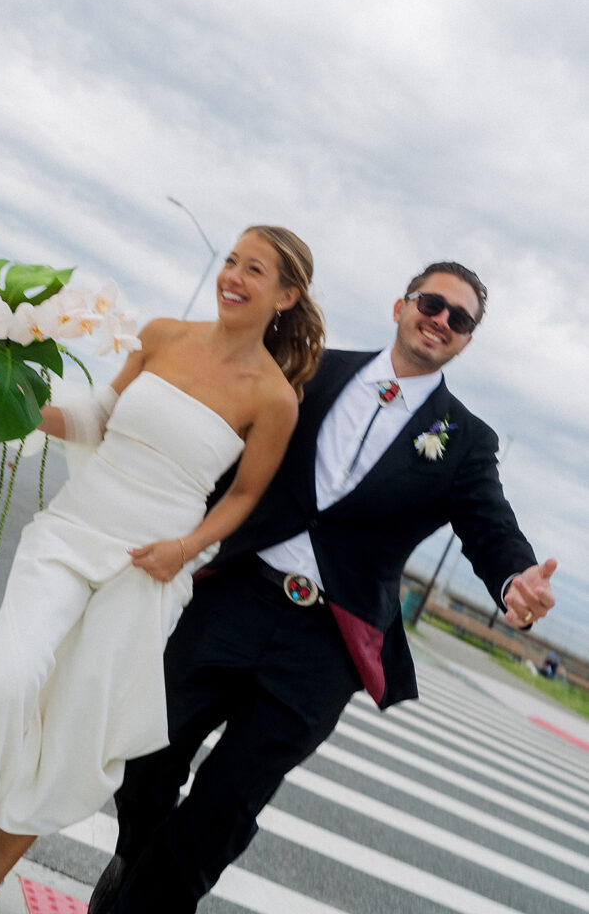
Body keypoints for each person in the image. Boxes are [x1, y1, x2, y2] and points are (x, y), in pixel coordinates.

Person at [90, 260, 558, 914]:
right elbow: (229, 441)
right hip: (235, 598)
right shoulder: (308, 369)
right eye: (431, 303)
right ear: (401, 304)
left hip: (324, 648)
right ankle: (134, 864)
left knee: (225, 806)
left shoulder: (465, 439)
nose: (440, 321)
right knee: (142, 759)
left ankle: (141, 904)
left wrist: (514, 580)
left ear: (466, 341)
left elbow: (488, 525)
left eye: (459, 319)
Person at [0, 225, 325, 914]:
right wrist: (17, 407)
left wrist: (184, 550)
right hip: (73, 532)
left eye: (254, 270)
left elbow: (245, 496)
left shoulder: (274, 398)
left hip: (149, 567)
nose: (233, 277)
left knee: (73, 731)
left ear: (286, 294)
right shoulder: (162, 334)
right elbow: (99, 413)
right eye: (230, 261)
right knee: (6, 687)